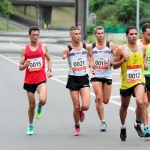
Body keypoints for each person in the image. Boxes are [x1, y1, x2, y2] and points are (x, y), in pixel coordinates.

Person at [113, 26, 148, 141]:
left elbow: (143, 59)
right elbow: (114, 65)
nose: (134, 36)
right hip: (126, 83)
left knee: (140, 101)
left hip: (139, 80)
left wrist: (145, 64)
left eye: (135, 34)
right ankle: (123, 126)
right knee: (124, 106)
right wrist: (122, 61)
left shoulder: (142, 48)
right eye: (131, 34)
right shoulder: (121, 49)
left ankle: (138, 123)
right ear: (126, 36)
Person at [19, 26, 52, 135]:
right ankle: (30, 125)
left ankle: (40, 106)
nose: (35, 37)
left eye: (37, 34)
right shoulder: (25, 49)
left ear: (39, 35)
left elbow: (49, 59)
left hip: (41, 79)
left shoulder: (43, 47)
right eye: (33, 35)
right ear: (29, 36)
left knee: (43, 100)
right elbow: (20, 67)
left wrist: (49, 70)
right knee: (31, 105)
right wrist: (25, 65)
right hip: (29, 81)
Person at [62, 26, 94, 136]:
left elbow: (91, 57)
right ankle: (77, 127)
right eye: (75, 34)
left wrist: (91, 65)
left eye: (79, 33)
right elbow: (64, 55)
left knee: (85, 106)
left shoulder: (86, 46)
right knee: (76, 105)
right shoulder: (68, 49)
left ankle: (81, 111)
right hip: (73, 78)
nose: (78, 35)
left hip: (84, 77)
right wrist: (64, 55)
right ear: (71, 36)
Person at [89, 26, 116, 131]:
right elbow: (90, 58)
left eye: (102, 33)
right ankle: (103, 122)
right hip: (96, 75)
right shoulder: (91, 47)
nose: (100, 35)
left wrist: (111, 63)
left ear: (104, 34)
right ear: (95, 35)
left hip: (107, 74)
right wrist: (91, 67)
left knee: (106, 100)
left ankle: (98, 99)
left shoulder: (110, 45)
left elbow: (118, 56)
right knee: (99, 98)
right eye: (98, 33)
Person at [137, 23, 150, 136]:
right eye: (148, 34)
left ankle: (139, 118)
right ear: (143, 33)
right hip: (140, 76)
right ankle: (146, 127)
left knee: (147, 103)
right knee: (143, 102)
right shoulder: (137, 44)